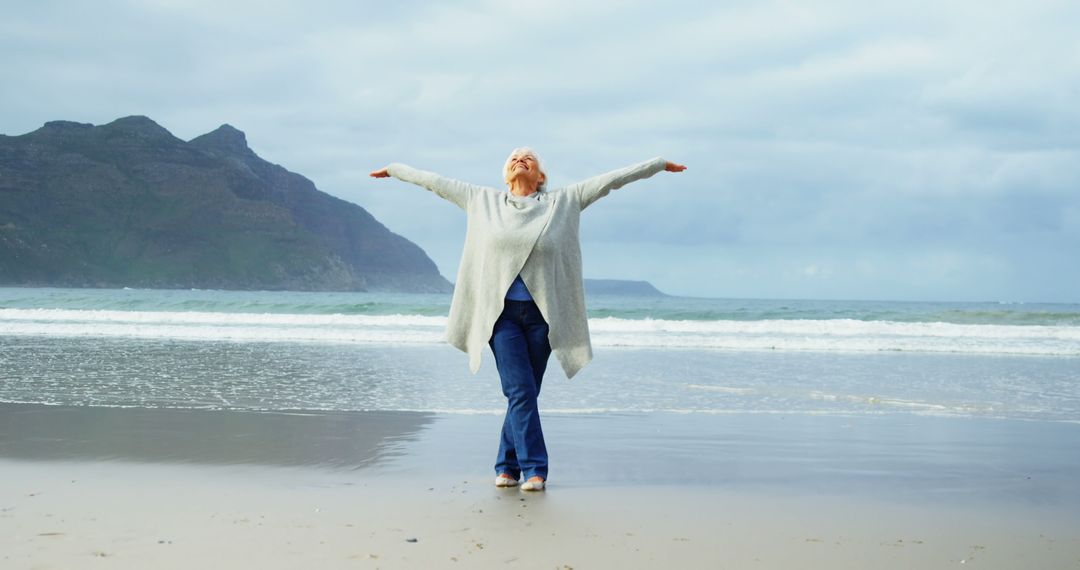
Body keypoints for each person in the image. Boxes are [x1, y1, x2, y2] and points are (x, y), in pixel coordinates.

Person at [370, 149, 686, 491]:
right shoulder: (482, 201)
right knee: (520, 390)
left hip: (542, 317)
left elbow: (611, 181)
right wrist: (395, 169)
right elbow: (435, 183)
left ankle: (506, 466)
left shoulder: (564, 202)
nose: (520, 158)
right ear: (506, 174)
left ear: (541, 178)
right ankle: (536, 469)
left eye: (529, 158)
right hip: (500, 316)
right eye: (514, 157)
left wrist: (656, 165)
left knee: (525, 393)